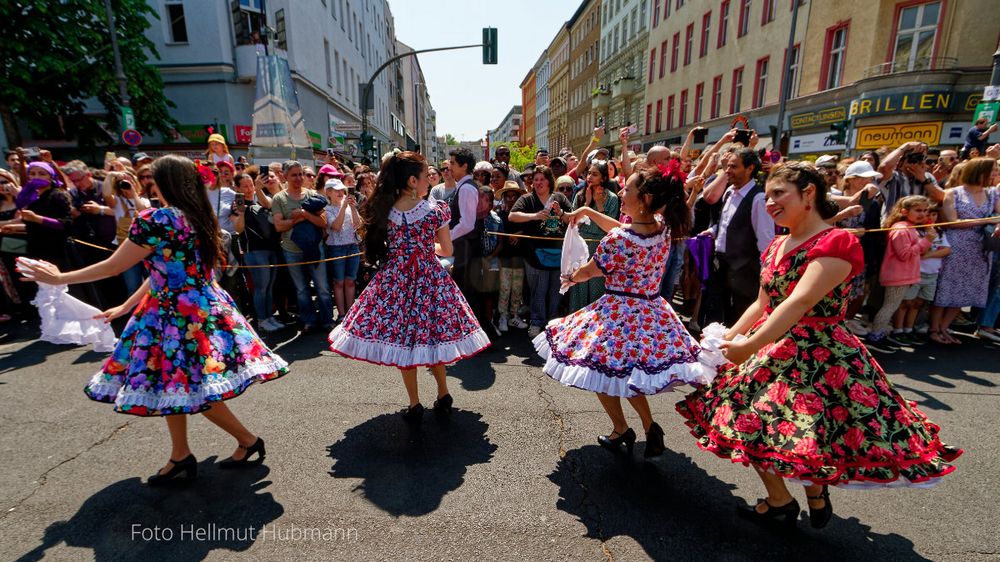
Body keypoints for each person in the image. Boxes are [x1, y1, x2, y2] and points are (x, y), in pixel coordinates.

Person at [677, 162, 961, 530]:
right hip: (772, 342)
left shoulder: (836, 241)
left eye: (780, 194)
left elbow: (798, 303)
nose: (770, 203)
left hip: (820, 353)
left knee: (812, 432)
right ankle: (780, 500)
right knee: (751, 423)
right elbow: (763, 304)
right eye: (769, 196)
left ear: (808, 193)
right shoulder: (778, 242)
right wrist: (731, 334)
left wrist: (749, 347)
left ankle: (814, 491)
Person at [17, 154, 289, 485]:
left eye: (152, 180)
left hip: (175, 316)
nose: (149, 184)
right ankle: (180, 454)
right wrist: (126, 305)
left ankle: (247, 441)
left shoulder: (155, 220)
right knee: (172, 384)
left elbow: (115, 266)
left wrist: (60, 279)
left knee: (190, 387)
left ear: (162, 183)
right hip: (201, 307)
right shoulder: (197, 215)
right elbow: (161, 269)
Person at [543, 164, 713, 459]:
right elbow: (622, 228)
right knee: (629, 375)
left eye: (628, 189)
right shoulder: (662, 228)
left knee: (601, 372)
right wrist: (586, 212)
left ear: (644, 199)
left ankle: (622, 428)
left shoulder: (619, 241)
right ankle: (648, 427)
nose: (621, 192)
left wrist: (571, 276)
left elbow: (590, 271)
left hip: (619, 314)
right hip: (651, 312)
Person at [328, 151, 490, 423]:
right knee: (433, 338)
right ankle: (443, 394)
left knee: (404, 342)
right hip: (428, 278)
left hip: (394, 282)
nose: (430, 180)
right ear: (413, 181)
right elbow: (447, 249)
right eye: (426, 175)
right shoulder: (434, 211)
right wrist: (426, 249)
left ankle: (414, 404)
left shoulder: (384, 210)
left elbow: (383, 247)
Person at [930, 158, 1000, 344]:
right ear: (979, 171)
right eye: (992, 170)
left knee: (965, 290)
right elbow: (953, 222)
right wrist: (987, 221)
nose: (995, 174)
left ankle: (945, 328)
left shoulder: (991, 194)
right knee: (946, 288)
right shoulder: (953, 193)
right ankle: (934, 329)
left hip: (981, 248)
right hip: (957, 246)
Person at [706, 148, 775, 325]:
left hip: (745, 271)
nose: (728, 171)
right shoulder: (729, 192)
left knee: (739, 316)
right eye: (727, 166)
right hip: (721, 265)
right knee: (716, 312)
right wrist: (713, 231)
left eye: (734, 167)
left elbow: (766, 240)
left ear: (750, 168)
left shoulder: (758, 198)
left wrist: (764, 275)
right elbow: (725, 222)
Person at [507, 165, 573, 338]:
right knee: (538, 289)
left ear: (549, 181)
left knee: (555, 290)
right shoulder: (527, 199)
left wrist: (561, 213)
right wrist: (534, 216)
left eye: (542, 179)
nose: (538, 182)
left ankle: (552, 322)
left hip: (559, 253)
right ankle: (536, 322)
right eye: (535, 179)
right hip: (534, 254)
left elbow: (572, 220)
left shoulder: (559, 198)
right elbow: (512, 216)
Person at [271, 160, 334, 331]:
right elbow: (279, 226)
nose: (299, 178)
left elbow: (323, 222)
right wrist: (295, 219)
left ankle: (327, 320)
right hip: (291, 250)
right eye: (294, 175)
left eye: (301, 174)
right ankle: (309, 321)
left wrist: (304, 214)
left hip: (315, 248)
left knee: (322, 287)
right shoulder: (279, 198)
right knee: (301, 289)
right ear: (285, 176)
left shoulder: (312, 195)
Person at [867, 196, 933, 346]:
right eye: (918, 210)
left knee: (892, 306)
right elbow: (904, 254)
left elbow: (916, 253)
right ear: (904, 211)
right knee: (890, 306)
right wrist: (926, 240)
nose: (922, 214)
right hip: (897, 275)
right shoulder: (901, 229)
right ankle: (875, 335)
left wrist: (926, 240)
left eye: (925, 210)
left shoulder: (910, 227)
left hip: (905, 275)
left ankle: (880, 332)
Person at [568, 160, 620, 311]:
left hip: (599, 245)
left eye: (595, 174)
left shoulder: (612, 198)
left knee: (597, 287)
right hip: (580, 245)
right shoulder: (579, 195)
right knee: (579, 286)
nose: (590, 177)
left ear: (603, 178)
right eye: (589, 173)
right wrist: (587, 203)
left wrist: (599, 204)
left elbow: (607, 227)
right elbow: (573, 224)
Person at [896, 202, 950, 345]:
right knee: (906, 303)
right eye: (927, 214)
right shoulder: (917, 231)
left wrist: (929, 254)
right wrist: (929, 241)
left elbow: (946, 250)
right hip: (917, 272)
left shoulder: (939, 231)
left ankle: (909, 329)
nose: (930, 217)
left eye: (933, 214)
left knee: (918, 304)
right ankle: (898, 330)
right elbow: (920, 251)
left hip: (932, 274)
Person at [323, 179, 360, 322]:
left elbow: (358, 224)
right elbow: (336, 227)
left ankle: (350, 312)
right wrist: (344, 207)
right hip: (336, 248)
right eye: (336, 190)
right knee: (339, 282)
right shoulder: (326, 209)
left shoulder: (349, 205)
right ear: (328, 192)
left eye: (341, 190)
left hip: (353, 245)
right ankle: (341, 313)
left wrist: (353, 208)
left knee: (350, 281)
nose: (340, 192)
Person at [494, 182, 528, 332]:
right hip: (505, 257)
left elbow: (531, 230)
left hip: (519, 257)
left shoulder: (523, 215)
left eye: (514, 196)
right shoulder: (499, 215)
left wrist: (520, 234)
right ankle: (503, 316)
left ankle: (514, 315)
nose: (510, 199)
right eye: (507, 196)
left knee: (517, 288)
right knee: (505, 288)